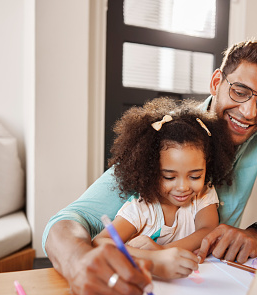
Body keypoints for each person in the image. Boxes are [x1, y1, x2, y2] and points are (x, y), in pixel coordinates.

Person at [43, 38, 257, 295]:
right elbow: (67, 222)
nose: (248, 111)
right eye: (240, 91)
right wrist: (77, 263)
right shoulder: (168, 139)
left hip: (213, 289)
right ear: (216, 81)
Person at [92, 98, 235, 280]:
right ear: (150, 171)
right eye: (169, 177)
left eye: (195, 176)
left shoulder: (203, 193)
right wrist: (154, 258)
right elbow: (99, 242)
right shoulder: (142, 208)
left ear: (207, 166)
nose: (183, 187)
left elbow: (208, 229)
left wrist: (164, 252)